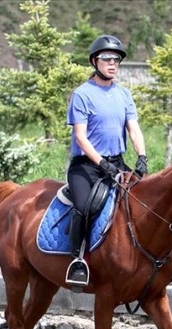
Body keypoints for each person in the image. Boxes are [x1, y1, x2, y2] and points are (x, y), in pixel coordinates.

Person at [64, 34, 148, 287]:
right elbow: (81, 137)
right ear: (94, 61)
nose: (113, 63)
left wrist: (142, 156)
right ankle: (78, 261)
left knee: (143, 204)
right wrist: (101, 163)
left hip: (117, 163)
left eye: (116, 59)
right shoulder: (82, 94)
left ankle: (151, 262)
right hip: (87, 167)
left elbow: (133, 128)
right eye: (107, 59)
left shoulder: (123, 95)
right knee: (83, 206)